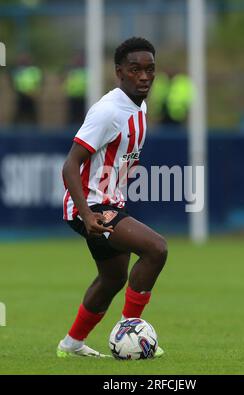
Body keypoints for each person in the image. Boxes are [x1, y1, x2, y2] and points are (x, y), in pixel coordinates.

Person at [57, 37, 167, 358]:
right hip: (90, 207)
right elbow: (70, 165)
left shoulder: (140, 106)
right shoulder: (107, 111)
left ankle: (72, 343)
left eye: (150, 69)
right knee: (156, 249)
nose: (144, 76)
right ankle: (129, 332)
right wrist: (86, 214)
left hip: (108, 202)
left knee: (113, 278)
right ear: (119, 72)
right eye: (135, 70)